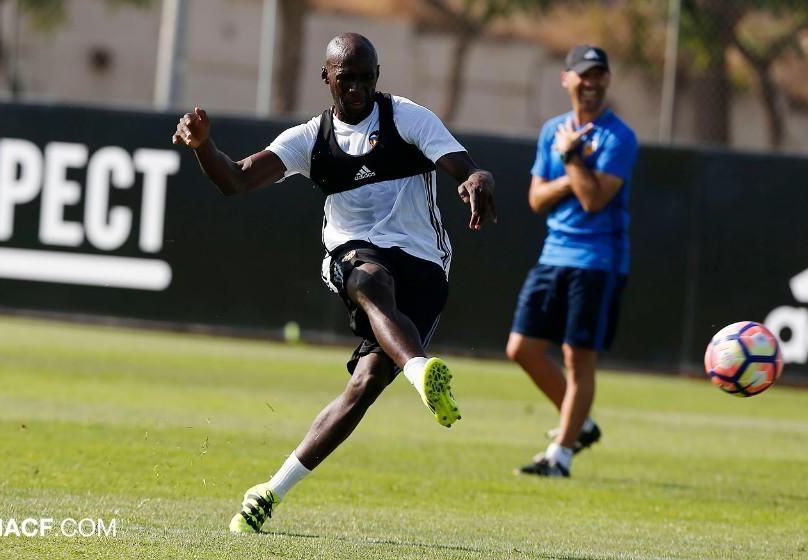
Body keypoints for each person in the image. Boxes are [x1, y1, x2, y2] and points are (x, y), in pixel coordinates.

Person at [172, 32, 496, 532]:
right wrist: (203, 146)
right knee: (369, 279)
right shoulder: (310, 141)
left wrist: (476, 180)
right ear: (326, 77)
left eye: (367, 78)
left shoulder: (406, 118)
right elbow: (235, 179)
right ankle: (419, 372)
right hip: (354, 254)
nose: (358, 89)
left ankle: (269, 491)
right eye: (347, 79)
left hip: (425, 265)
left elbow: (463, 166)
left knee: (364, 385)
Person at [505, 45, 638, 478]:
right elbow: (536, 198)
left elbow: (594, 198)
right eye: (584, 74)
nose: (592, 82)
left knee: (576, 358)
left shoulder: (619, 137)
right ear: (566, 79)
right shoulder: (552, 131)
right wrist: (570, 165)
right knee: (521, 348)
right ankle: (581, 424)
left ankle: (559, 456)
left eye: (600, 75)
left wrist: (571, 158)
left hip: (598, 261)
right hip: (553, 255)